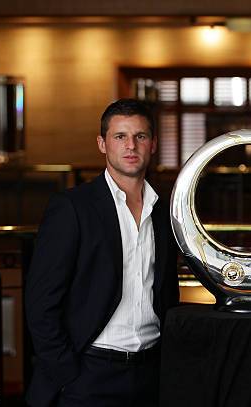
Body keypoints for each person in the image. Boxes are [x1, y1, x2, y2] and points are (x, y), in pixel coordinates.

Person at [25, 99, 180, 407]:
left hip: (150, 375)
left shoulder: (163, 211)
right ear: (102, 143)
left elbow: (165, 292)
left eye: (140, 136)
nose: (131, 145)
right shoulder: (73, 207)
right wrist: (67, 373)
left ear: (153, 144)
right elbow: (41, 302)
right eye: (120, 136)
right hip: (88, 375)